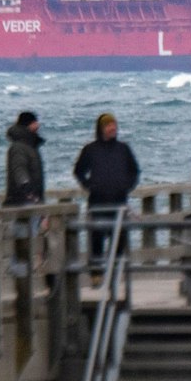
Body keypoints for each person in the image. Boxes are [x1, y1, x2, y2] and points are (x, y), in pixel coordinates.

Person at [73, 112, 141, 267]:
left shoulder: (123, 149)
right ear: (101, 128)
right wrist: (89, 185)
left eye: (114, 125)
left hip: (119, 201)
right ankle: (96, 272)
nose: (113, 128)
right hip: (98, 202)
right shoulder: (90, 149)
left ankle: (115, 270)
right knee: (97, 237)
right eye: (109, 125)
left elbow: (134, 171)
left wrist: (127, 186)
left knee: (119, 238)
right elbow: (78, 171)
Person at [3, 111, 44, 206]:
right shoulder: (19, 147)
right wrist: (27, 190)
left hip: (32, 199)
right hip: (22, 201)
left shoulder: (31, 146)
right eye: (35, 122)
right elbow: (19, 169)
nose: (38, 125)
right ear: (30, 124)